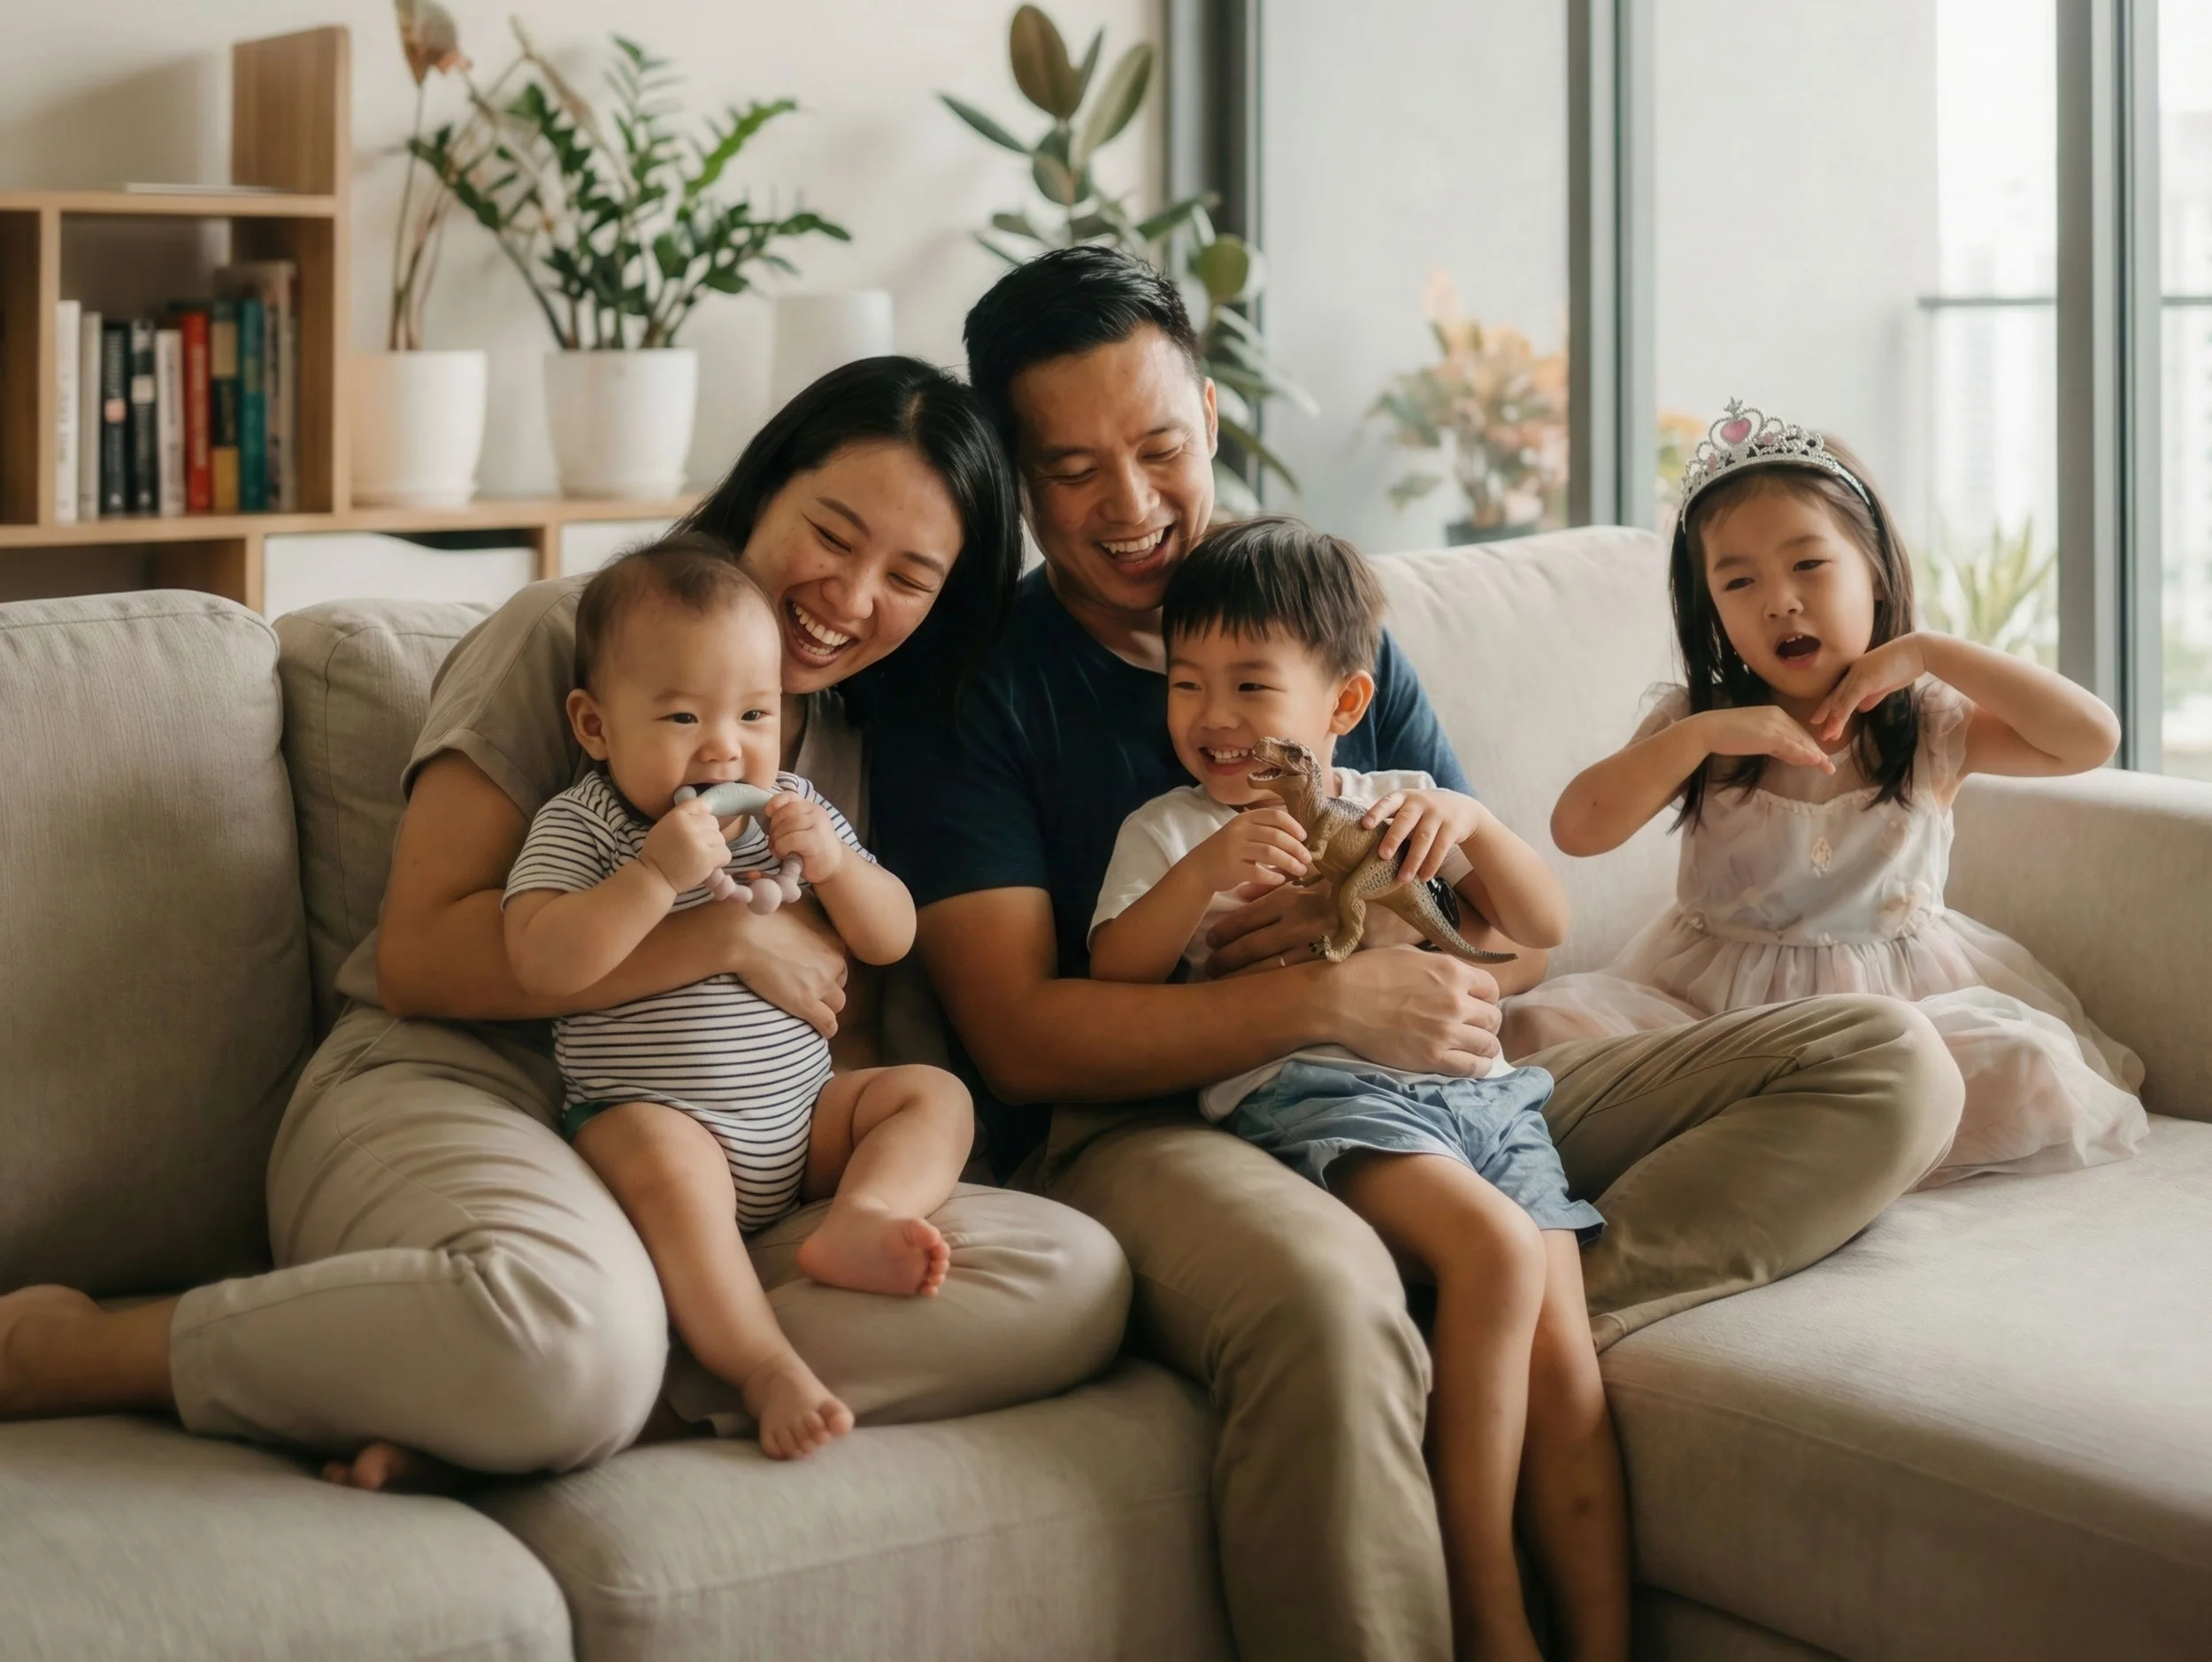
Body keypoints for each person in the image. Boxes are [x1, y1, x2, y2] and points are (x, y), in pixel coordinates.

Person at [868, 245, 1964, 1662]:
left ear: (1207, 411)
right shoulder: (978, 686)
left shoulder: (1318, 619)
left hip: (1434, 1085)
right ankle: (1481, 1291)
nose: (1131, 503)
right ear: (1017, 474)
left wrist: (1415, 976)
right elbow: (1020, 1037)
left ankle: (1505, 1290)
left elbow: (1501, 940)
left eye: (1156, 445)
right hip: (1153, 1123)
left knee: (1889, 1057)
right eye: (1073, 468)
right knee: (1329, 1307)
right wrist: (1315, 993)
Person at [0, 358, 1128, 1483]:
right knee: (569, 1336)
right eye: (832, 535)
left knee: (1066, 1279)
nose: (850, 596)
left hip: (725, 1152)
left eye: (909, 576)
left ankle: (498, 1402)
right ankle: (103, 1349)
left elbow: (853, 1002)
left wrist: (854, 1160)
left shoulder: (843, 743)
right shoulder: (568, 636)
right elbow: (421, 959)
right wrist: (724, 939)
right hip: (462, 1085)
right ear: (766, 490)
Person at [1092, 517, 1627, 1662]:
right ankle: (1486, 1602)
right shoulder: (1172, 824)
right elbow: (1113, 975)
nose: (1213, 715)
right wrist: (1202, 873)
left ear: (1342, 703)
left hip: (1484, 1096)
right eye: (1187, 682)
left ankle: (1602, 1637)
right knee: (1493, 1249)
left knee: (1565, 1350)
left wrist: (1472, 820)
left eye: (1249, 682)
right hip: (1318, 1100)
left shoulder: (1401, 798)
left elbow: (1542, 927)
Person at [1512, 404, 2148, 1186]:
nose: (1778, 599)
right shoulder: (1698, 726)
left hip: (1895, 1022)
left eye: (1808, 565)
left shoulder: (1931, 725)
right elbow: (1577, 829)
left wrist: (1930, 651)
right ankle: (1783, 1133)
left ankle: (1791, 1137)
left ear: (1875, 575)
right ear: (1710, 609)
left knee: (2023, 1063)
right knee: (1541, 1023)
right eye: (1738, 580)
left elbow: (2090, 736)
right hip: (1710, 1018)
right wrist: (1700, 737)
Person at [504, 535, 973, 1460]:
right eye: (683, 716)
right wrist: (650, 876)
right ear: (595, 726)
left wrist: (834, 863)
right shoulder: (585, 823)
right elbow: (540, 962)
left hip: (800, 1125)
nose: (727, 745)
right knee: (663, 1160)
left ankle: (861, 1218)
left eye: (755, 712)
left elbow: (893, 935)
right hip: (661, 1119)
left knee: (932, 1096)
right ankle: (761, 1366)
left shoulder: (790, 808)